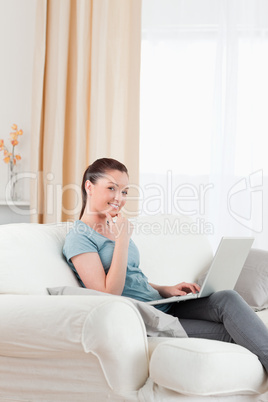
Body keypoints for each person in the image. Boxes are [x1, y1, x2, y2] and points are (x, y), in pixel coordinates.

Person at [63, 157, 268, 373]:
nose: (119, 198)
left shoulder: (113, 225)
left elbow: (130, 275)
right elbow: (107, 295)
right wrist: (122, 240)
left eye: (124, 191)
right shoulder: (79, 237)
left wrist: (163, 289)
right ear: (89, 187)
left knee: (227, 297)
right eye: (111, 188)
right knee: (233, 331)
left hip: (162, 303)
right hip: (145, 317)